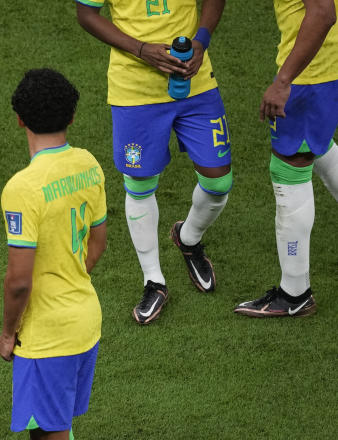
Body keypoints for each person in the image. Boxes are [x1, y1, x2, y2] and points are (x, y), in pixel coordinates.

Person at [0, 69, 108, 440]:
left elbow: (18, 281)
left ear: (18, 119)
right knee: (57, 428)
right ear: (72, 116)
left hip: (49, 333)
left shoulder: (23, 187)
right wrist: (69, 281)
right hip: (85, 317)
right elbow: (98, 242)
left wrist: (10, 331)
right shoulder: (88, 165)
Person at [77, 0, 232, 325]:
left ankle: (187, 238)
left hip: (196, 84)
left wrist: (201, 42)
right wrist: (142, 49)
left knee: (219, 182)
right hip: (134, 91)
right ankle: (154, 281)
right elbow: (86, 14)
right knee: (140, 183)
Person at [234, 0, 338, 318]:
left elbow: (322, 12)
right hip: (327, 65)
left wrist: (283, 82)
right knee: (316, 146)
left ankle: (295, 293)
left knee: (290, 161)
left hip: (312, 73)